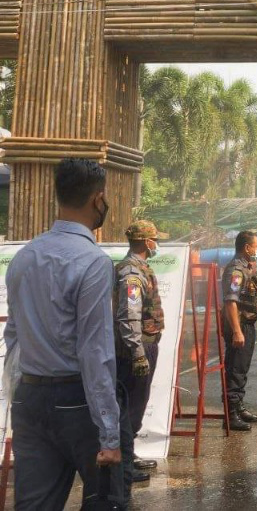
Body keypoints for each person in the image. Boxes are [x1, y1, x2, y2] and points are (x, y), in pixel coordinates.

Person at [4, 158, 125, 508]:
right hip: (77, 400)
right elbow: (95, 352)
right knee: (106, 497)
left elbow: (13, 336)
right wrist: (110, 434)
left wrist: (20, 396)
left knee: (34, 503)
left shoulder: (25, 257)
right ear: (97, 199)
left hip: (29, 395)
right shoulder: (92, 261)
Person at [114, 220, 167, 483]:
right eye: (155, 239)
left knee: (135, 403)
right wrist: (137, 353)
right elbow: (128, 316)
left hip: (144, 345)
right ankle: (123, 464)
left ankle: (128, 454)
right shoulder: (132, 274)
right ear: (146, 242)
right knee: (131, 405)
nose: (157, 244)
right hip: (136, 349)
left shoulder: (139, 269)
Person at [222, 230, 257, 432]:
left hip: (247, 324)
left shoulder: (247, 267)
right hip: (238, 326)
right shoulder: (236, 270)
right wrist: (237, 332)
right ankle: (230, 415)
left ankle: (238, 407)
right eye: (256, 246)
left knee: (242, 368)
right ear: (247, 247)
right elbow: (231, 302)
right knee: (235, 369)